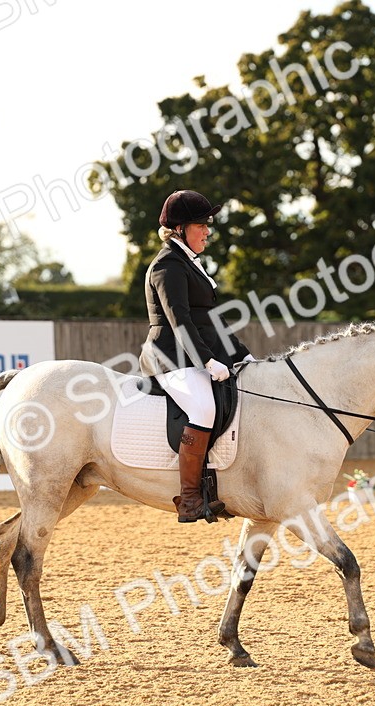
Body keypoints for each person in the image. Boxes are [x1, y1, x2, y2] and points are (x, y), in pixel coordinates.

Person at [139, 189, 255, 523]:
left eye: (207, 224)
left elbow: (212, 321)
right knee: (204, 406)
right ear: (178, 229)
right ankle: (189, 498)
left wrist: (243, 356)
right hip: (169, 357)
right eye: (201, 224)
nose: (207, 231)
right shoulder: (167, 266)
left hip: (192, 354)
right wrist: (206, 360)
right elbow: (180, 320)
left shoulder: (190, 264)